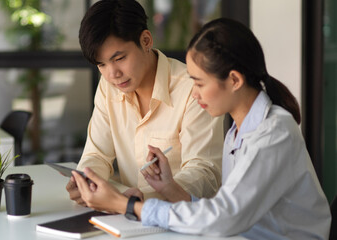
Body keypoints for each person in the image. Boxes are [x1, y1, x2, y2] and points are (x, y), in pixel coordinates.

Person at [72, 18, 332, 239]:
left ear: (234, 80)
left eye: (198, 83)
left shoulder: (273, 133)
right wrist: (170, 188)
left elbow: (225, 217)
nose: (193, 94)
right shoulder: (239, 132)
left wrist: (128, 205)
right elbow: (224, 210)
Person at [66, 0, 224, 205]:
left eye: (119, 58)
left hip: (182, 220)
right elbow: (97, 154)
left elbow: (204, 172)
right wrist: (87, 181)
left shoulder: (192, 89)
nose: (112, 74)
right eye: (101, 64)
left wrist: (144, 200)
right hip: (126, 220)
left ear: (146, 40)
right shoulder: (108, 87)